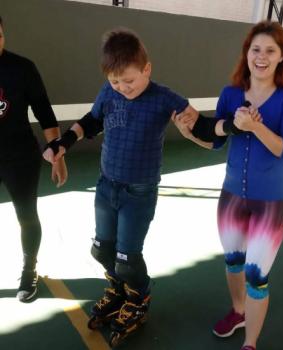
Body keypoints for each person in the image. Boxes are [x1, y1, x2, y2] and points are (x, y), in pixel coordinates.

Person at [43, 28, 197, 345]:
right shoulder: (109, 93)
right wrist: (63, 143)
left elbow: (199, 122)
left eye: (129, 80)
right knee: (101, 249)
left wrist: (215, 127)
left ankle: (139, 297)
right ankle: (118, 288)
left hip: (138, 192)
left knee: (128, 259)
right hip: (106, 185)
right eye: (116, 82)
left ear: (146, 69)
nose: (123, 88)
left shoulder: (163, 97)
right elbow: (91, 120)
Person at [173, 21, 283, 350]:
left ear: (281, 57)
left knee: (256, 276)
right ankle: (238, 311)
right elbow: (216, 143)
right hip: (232, 195)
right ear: (247, 54)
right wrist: (190, 133)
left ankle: (250, 343)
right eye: (255, 49)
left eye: (270, 51)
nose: (261, 57)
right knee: (233, 261)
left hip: (271, 202)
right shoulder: (231, 94)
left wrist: (254, 127)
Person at [0, 16, 67, 302]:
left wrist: (58, 156)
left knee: (26, 216)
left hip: (20, 157)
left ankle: (29, 271)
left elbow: (44, 113)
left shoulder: (22, 68)